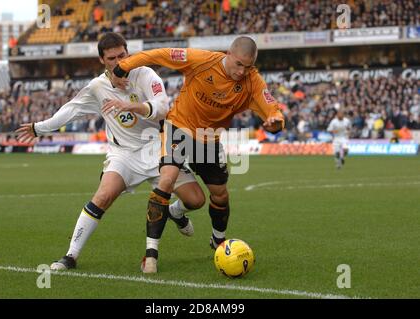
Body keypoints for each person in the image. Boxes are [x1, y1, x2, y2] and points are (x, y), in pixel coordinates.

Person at [15, 33, 205, 272]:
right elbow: (70, 110)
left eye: (122, 56)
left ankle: (175, 211)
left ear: (129, 53)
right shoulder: (97, 87)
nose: (119, 62)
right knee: (103, 197)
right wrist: (38, 128)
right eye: (112, 58)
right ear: (102, 60)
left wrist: (131, 105)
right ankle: (70, 256)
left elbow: (162, 108)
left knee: (196, 200)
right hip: (123, 154)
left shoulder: (146, 74)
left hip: (157, 150)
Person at [110, 36, 285, 272]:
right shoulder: (201, 60)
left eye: (248, 66)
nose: (242, 71)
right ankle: (151, 255)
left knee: (220, 195)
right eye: (239, 64)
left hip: (209, 139)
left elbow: (271, 109)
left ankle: (218, 241)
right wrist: (124, 66)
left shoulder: (253, 81)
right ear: (228, 54)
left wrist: (276, 122)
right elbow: (159, 54)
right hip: (179, 127)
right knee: (166, 180)